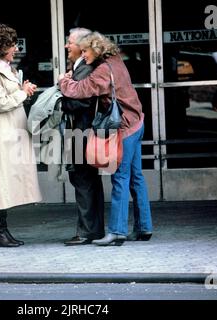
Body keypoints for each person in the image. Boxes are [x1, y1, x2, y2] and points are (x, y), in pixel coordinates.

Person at [58, 32, 152, 246]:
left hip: (126, 128)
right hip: (138, 122)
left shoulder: (102, 70)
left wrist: (63, 81)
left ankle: (117, 231)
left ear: (96, 49)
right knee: (136, 177)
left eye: (85, 51)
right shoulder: (116, 61)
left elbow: (80, 90)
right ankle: (144, 226)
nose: (83, 55)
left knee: (120, 177)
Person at [0, 23, 42, 247]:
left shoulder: (7, 69)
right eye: (11, 45)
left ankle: (1, 231)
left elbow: (10, 97)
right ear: (0, 47)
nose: (15, 48)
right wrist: (22, 93)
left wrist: (23, 90)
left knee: (6, 180)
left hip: (12, 129)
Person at [61, 28, 105, 246]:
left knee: (83, 180)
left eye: (70, 42)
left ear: (81, 46)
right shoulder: (79, 68)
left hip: (82, 132)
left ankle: (87, 231)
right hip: (82, 132)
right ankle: (93, 229)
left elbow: (80, 101)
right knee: (87, 181)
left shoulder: (85, 69)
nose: (67, 46)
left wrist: (62, 93)